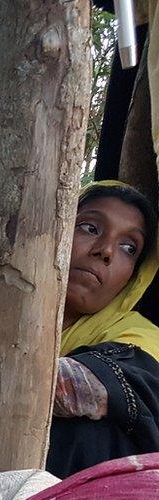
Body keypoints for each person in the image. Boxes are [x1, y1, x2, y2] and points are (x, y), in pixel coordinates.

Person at [47, 180, 159, 477]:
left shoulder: (143, 339)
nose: (106, 251)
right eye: (89, 228)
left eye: (128, 248)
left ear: (133, 278)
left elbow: (76, 389)